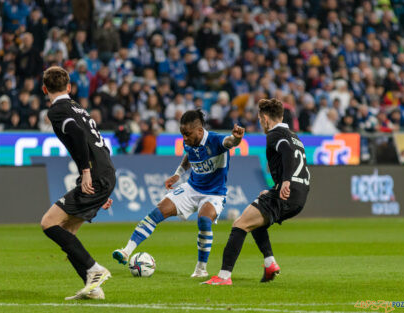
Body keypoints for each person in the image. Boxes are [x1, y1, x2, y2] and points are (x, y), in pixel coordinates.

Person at [112, 110, 245, 278]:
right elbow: (189, 156)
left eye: (187, 134)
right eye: (182, 134)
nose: (185, 138)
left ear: (199, 130)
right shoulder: (188, 141)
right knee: (156, 212)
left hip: (214, 194)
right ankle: (126, 251)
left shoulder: (216, 140)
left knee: (204, 220)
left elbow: (230, 142)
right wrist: (177, 174)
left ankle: (200, 269)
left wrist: (237, 138)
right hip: (192, 188)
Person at [203, 98, 310, 285]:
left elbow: (286, 152)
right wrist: (275, 189)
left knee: (239, 224)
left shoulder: (275, 135)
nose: (261, 124)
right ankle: (270, 264)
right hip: (300, 195)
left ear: (266, 118)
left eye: (261, 120)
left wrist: (285, 182)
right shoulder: (294, 136)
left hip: (287, 191)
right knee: (256, 221)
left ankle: (223, 277)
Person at [39, 66, 115, 300]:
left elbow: (78, 136)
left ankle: (94, 270)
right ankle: (93, 289)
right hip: (104, 173)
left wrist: (87, 173)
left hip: (95, 174)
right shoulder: (79, 108)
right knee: (67, 231)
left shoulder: (57, 110)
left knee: (49, 223)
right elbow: (100, 144)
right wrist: (103, 185)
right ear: (69, 87)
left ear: (44, 89)